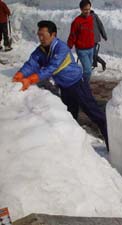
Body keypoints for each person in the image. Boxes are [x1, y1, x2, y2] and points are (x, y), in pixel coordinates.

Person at [12, 20, 109, 150]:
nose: (41, 38)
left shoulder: (61, 48)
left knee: (95, 114)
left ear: (53, 35)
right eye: (39, 35)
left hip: (77, 84)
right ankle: (74, 148)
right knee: (69, 117)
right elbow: (31, 63)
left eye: (44, 35)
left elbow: (52, 67)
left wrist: (32, 78)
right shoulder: (40, 50)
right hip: (64, 88)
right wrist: (20, 74)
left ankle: (111, 144)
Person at [68, 0, 94, 81]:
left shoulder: (91, 18)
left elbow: (92, 31)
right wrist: (68, 48)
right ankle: (84, 85)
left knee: (89, 68)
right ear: (81, 9)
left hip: (91, 48)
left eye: (89, 9)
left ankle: (83, 83)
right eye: (85, 9)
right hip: (82, 50)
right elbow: (72, 35)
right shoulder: (77, 22)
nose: (87, 11)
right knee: (88, 71)